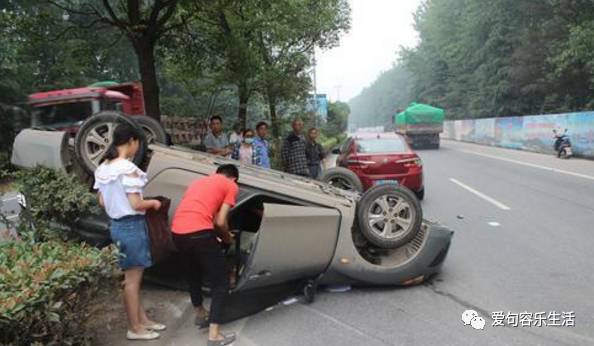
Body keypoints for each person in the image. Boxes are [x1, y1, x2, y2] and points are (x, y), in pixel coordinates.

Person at [93, 124, 165, 341]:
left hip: (117, 226)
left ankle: (142, 320)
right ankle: (135, 328)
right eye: (138, 144)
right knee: (132, 282)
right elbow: (136, 203)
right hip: (132, 226)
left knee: (131, 279)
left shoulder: (104, 167)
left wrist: (118, 205)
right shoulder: (128, 168)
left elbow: (102, 201)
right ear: (132, 141)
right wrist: (152, 203)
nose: (137, 148)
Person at [171, 164, 239, 346]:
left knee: (193, 274)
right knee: (221, 282)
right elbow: (220, 221)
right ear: (234, 178)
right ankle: (214, 336)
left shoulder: (198, 182)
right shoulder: (231, 185)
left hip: (177, 232)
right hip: (199, 233)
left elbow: (205, 213)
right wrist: (227, 237)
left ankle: (200, 313)